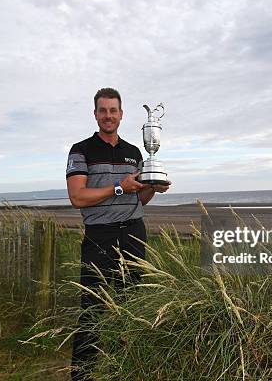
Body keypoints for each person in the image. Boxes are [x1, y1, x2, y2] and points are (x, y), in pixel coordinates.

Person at [66, 87, 170, 380]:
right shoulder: (81, 150)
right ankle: (83, 376)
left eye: (113, 110)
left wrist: (152, 186)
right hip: (99, 237)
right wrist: (120, 187)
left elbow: (140, 199)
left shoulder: (134, 152)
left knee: (133, 308)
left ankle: (126, 369)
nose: (108, 116)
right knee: (92, 313)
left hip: (134, 235)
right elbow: (77, 198)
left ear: (121, 115)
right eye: (103, 110)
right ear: (95, 114)